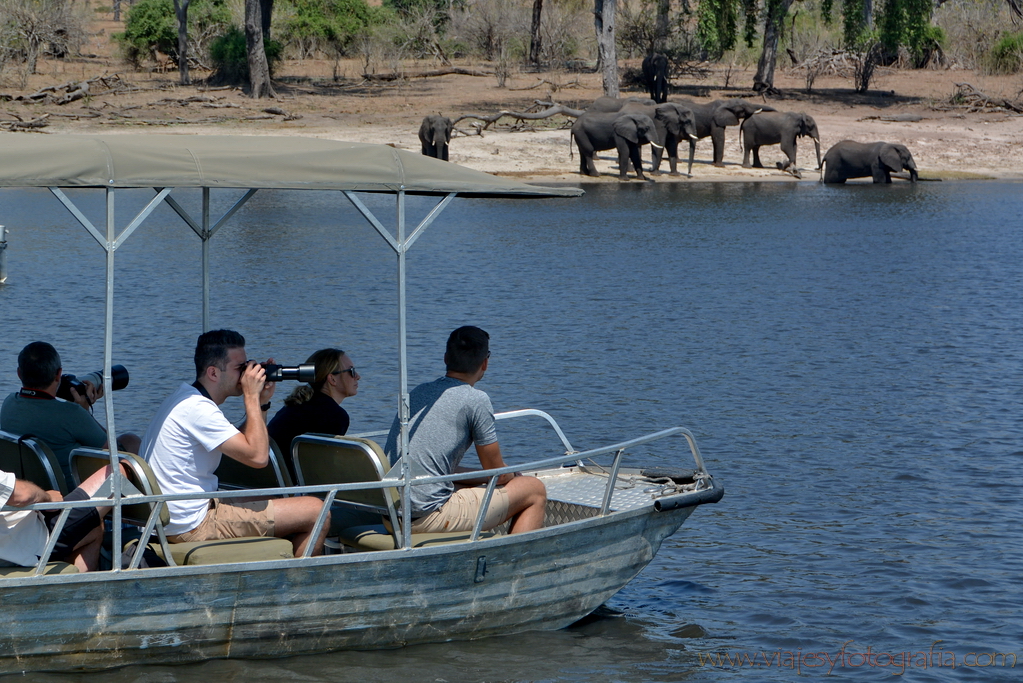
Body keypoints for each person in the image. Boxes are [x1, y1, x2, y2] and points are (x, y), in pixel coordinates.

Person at [139, 329, 329, 556]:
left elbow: (242, 443)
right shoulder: (199, 410)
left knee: (279, 497)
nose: (247, 375)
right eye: (240, 368)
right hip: (191, 525)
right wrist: (250, 396)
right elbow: (258, 458)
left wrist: (261, 402)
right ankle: (300, 586)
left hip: (177, 515)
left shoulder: (185, 398)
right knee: (317, 510)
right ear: (213, 373)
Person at [383, 326, 546, 535]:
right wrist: (513, 474)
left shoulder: (420, 391)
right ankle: (512, 562)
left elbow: (436, 468)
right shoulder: (476, 400)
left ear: (445, 358)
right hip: (427, 517)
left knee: (467, 478)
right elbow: (496, 473)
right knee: (534, 489)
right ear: (485, 363)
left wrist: (485, 477)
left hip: (391, 513)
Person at [1, 341, 140, 485]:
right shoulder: (72, 414)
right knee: (131, 441)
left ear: (19, 373)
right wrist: (85, 412)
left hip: (26, 488)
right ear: (58, 375)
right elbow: (111, 451)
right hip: (68, 497)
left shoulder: (9, 403)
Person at [0, 464, 121, 572]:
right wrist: (47, 496)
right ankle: (74, 593)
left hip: (15, 537)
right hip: (24, 546)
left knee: (94, 527)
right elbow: (23, 495)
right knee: (117, 471)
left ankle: (76, 591)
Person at [268, 348, 359, 480]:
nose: (357, 376)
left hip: (274, 482)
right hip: (295, 490)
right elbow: (321, 471)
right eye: (351, 371)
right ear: (332, 379)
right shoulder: (334, 416)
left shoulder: (296, 406)